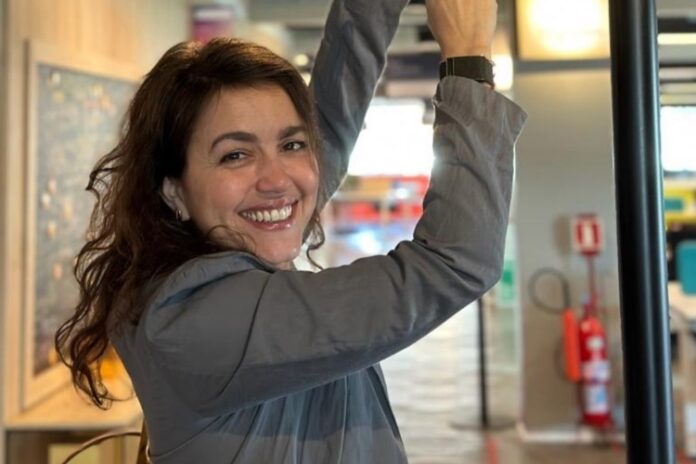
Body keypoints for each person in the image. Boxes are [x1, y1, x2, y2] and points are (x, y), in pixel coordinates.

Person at [55, 0, 526, 462]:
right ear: (174, 190)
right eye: (235, 155)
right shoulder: (195, 321)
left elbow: (327, 134)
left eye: (291, 144)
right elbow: (453, 261)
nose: (277, 180)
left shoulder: (223, 252)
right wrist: (467, 57)